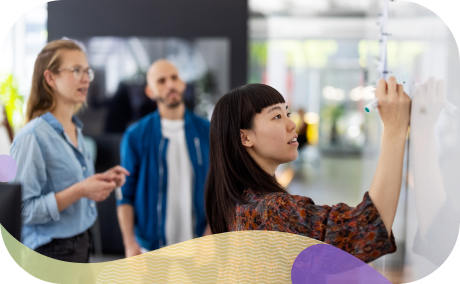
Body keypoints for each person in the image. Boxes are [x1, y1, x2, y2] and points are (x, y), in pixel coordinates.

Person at [205, 78, 411, 263]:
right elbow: (366, 230)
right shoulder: (271, 211)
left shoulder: (235, 203)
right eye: (277, 116)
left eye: (288, 113)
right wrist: (394, 130)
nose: (292, 124)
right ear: (245, 138)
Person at [9, 39, 129, 263]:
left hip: (82, 243)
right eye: (76, 70)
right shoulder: (32, 136)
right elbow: (22, 210)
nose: (85, 78)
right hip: (50, 253)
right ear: (50, 78)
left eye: (87, 71)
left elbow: (72, 185)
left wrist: (97, 182)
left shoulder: (75, 128)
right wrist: (81, 190)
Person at [117, 59, 212, 258]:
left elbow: (222, 189)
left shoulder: (208, 131)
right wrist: (129, 244)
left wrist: (210, 235)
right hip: (149, 250)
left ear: (183, 83)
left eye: (174, 78)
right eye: (161, 81)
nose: (170, 84)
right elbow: (125, 194)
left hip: (199, 248)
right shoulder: (135, 136)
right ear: (150, 92)